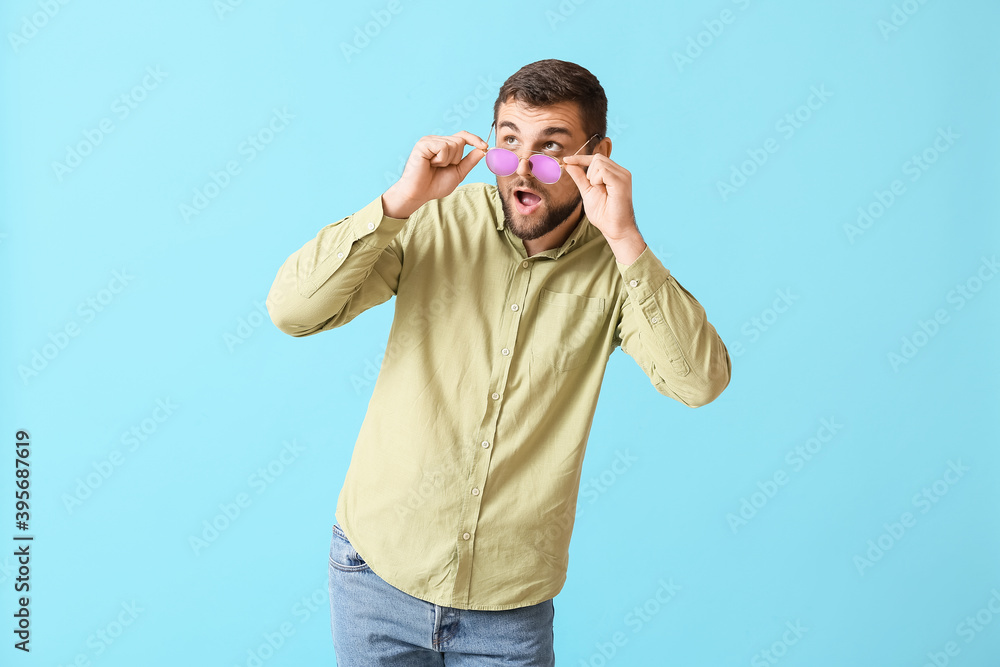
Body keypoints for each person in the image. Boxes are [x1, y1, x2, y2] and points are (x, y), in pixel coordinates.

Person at [266, 58, 731, 666]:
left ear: (596, 154)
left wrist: (625, 239)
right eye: (508, 144)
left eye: (549, 149)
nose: (522, 171)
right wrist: (400, 202)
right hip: (374, 573)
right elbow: (293, 311)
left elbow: (698, 382)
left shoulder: (619, 269)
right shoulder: (433, 220)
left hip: (507, 604)